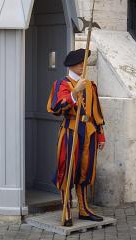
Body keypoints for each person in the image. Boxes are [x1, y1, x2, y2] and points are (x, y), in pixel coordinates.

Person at [47, 48, 105, 227]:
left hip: (88, 132)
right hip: (70, 131)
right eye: (79, 63)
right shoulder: (62, 84)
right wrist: (74, 93)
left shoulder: (90, 85)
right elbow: (56, 108)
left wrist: (101, 134)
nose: (82, 66)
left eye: (84, 63)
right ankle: (65, 210)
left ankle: (83, 209)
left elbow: (96, 110)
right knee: (67, 169)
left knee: (85, 171)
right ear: (71, 65)